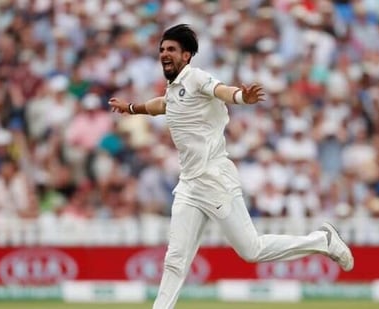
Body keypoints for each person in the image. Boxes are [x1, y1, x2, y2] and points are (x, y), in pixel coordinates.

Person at [109, 24, 354, 309]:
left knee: (251, 250)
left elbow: (220, 90)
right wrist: (131, 109)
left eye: (171, 50)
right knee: (175, 260)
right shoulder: (175, 89)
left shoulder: (197, 78)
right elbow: (162, 105)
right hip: (189, 184)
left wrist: (241, 97)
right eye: (162, 49)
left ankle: (322, 240)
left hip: (215, 179)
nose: (164, 54)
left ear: (186, 56)